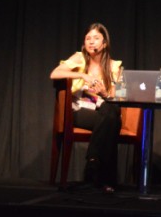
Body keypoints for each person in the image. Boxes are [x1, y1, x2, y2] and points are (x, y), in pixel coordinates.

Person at [50, 23, 122, 192]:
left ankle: (93, 161)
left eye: (96, 38)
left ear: (104, 43)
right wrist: (82, 75)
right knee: (113, 121)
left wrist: (104, 93)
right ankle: (107, 180)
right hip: (78, 110)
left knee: (111, 114)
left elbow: (116, 96)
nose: (91, 42)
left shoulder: (113, 66)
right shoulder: (79, 58)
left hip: (101, 110)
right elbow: (54, 74)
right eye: (88, 38)